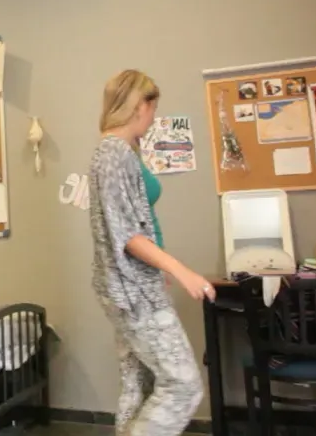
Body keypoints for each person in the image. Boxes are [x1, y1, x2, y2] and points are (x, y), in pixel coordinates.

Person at [88, 69, 212, 436]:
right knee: (183, 385)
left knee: (138, 382)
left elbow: (137, 224)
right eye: (153, 108)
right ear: (138, 105)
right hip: (131, 289)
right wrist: (181, 270)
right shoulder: (112, 155)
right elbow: (126, 234)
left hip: (135, 284)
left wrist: (157, 274)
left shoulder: (122, 152)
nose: (154, 117)